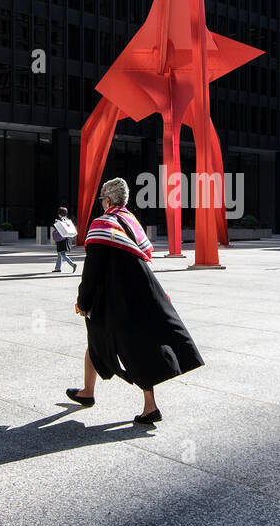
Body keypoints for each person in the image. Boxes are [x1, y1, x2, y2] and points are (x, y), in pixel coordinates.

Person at [66, 178, 203, 424]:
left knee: (128, 349)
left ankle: (149, 407)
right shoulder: (130, 220)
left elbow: (93, 270)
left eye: (102, 200)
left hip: (116, 300)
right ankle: (88, 392)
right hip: (141, 293)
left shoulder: (102, 223)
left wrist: (83, 301)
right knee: (119, 343)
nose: (101, 204)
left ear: (107, 200)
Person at [51, 206, 78, 273]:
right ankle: (57, 268)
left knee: (62, 254)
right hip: (66, 238)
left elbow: (58, 229)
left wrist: (56, 223)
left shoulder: (60, 220)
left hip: (61, 240)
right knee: (60, 253)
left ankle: (73, 264)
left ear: (59, 213)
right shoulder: (67, 220)